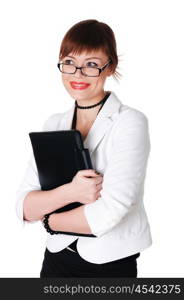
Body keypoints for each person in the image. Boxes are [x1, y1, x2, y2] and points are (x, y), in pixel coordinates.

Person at [16, 19, 152, 278]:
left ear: (110, 67)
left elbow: (108, 213)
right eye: (69, 62)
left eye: (91, 64)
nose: (77, 74)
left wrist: (50, 220)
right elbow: (24, 206)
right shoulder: (53, 124)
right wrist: (71, 191)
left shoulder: (130, 122)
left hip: (110, 264)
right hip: (55, 260)